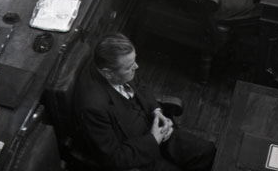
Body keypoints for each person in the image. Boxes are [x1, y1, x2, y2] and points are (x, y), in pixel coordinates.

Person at [75, 32, 216, 171]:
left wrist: (157, 111)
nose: (136, 66)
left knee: (206, 152)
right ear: (108, 73)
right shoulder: (93, 107)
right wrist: (153, 139)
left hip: (155, 125)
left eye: (134, 61)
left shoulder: (120, 68)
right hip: (137, 155)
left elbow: (141, 87)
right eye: (129, 67)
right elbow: (114, 158)